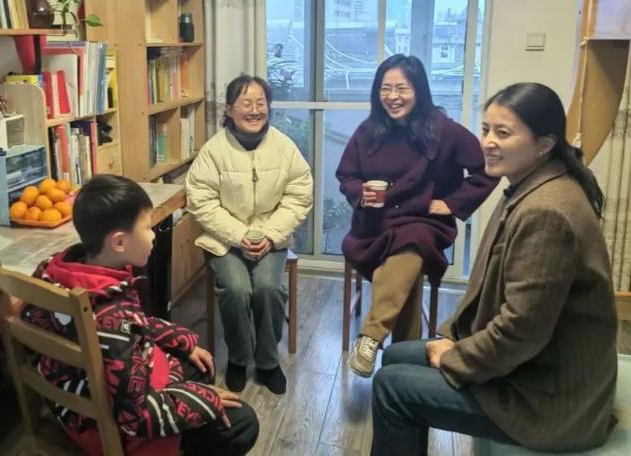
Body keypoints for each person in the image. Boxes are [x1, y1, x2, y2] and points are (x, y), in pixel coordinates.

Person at [370, 82, 617, 455]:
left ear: (544, 144)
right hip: (532, 368)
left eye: (503, 133)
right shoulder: (530, 185)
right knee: (396, 355)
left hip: (550, 400)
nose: (488, 142)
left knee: (392, 387)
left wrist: (456, 355)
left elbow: (521, 332)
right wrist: (453, 338)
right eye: (486, 129)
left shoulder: (546, 211)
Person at [22, 175, 260, 456]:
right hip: (112, 429)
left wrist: (182, 342)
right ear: (119, 242)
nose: (153, 235)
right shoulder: (114, 318)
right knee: (243, 423)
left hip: (77, 403)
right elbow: (135, 417)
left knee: (201, 364)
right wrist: (202, 399)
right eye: (147, 228)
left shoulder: (57, 271)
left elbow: (131, 328)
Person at [336, 54, 497, 377]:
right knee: (406, 279)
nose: (393, 96)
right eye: (385, 89)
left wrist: (451, 204)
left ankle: (370, 336)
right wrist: (361, 192)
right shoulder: (368, 130)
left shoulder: (444, 130)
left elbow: (487, 169)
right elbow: (346, 175)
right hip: (375, 224)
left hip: (423, 221)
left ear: (419, 90)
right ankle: (402, 363)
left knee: (412, 242)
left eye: (402, 88)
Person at [186, 74, 313, 395]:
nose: (255, 110)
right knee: (237, 289)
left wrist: (269, 234)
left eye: (261, 103)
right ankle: (239, 359)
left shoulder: (284, 147)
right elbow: (201, 201)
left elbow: (299, 195)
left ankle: (268, 362)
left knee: (268, 288)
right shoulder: (213, 151)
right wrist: (239, 235)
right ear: (229, 110)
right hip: (224, 240)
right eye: (246, 103)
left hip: (272, 238)